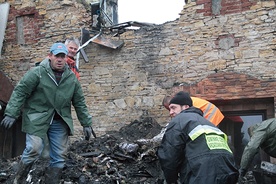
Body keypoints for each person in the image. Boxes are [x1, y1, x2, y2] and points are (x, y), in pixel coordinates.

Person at [0, 42, 95, 184]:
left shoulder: (71, 78)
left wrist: (86, 123)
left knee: (59, 156)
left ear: (66, 57)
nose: (60, 59)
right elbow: (21, 91)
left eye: (63, 56)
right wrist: (11, 113)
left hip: (60, 120)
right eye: (57, 56)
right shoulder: (37, 73)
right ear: (50, 56)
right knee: (34, 149)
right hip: (37, 117)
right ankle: (18, 180)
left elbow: (79, 102)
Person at [157, 91, 238, 184]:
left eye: (173, 108)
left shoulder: (179, 120)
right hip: (229, 172)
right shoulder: (209, 124)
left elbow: (169, 156)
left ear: (185, 107)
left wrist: (171, 180)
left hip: (203, 174)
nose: (171, 112)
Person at [238, 118, 276, 182]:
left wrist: (242, 171)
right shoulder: (269, 130)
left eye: (252, 138)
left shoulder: (259, 130)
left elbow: (251, 148)